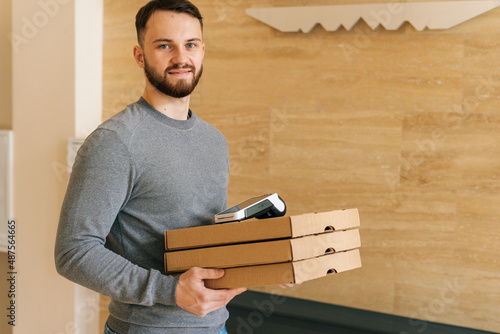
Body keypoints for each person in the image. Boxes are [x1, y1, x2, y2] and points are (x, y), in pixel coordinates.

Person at [54, 1, 246, 333]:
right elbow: (73, 251)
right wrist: (169, 291)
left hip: (216, 327)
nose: (181, 58)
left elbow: (201, 234)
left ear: (202, 51)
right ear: (140, 56)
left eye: (190, 45)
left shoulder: (214, 140)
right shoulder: (115, 141)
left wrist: (268, 259)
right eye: (164, 46)